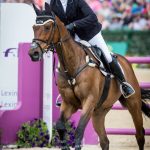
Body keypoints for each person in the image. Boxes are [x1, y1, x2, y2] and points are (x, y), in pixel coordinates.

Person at [48, 0, 135, 98]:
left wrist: (74, 25)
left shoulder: (77, 1)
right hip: (73, 36)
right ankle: (65, 91)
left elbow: (92, 17)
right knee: (65, 60)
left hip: (90, 33)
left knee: (107, 56)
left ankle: (124, 84)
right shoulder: (54, 3)